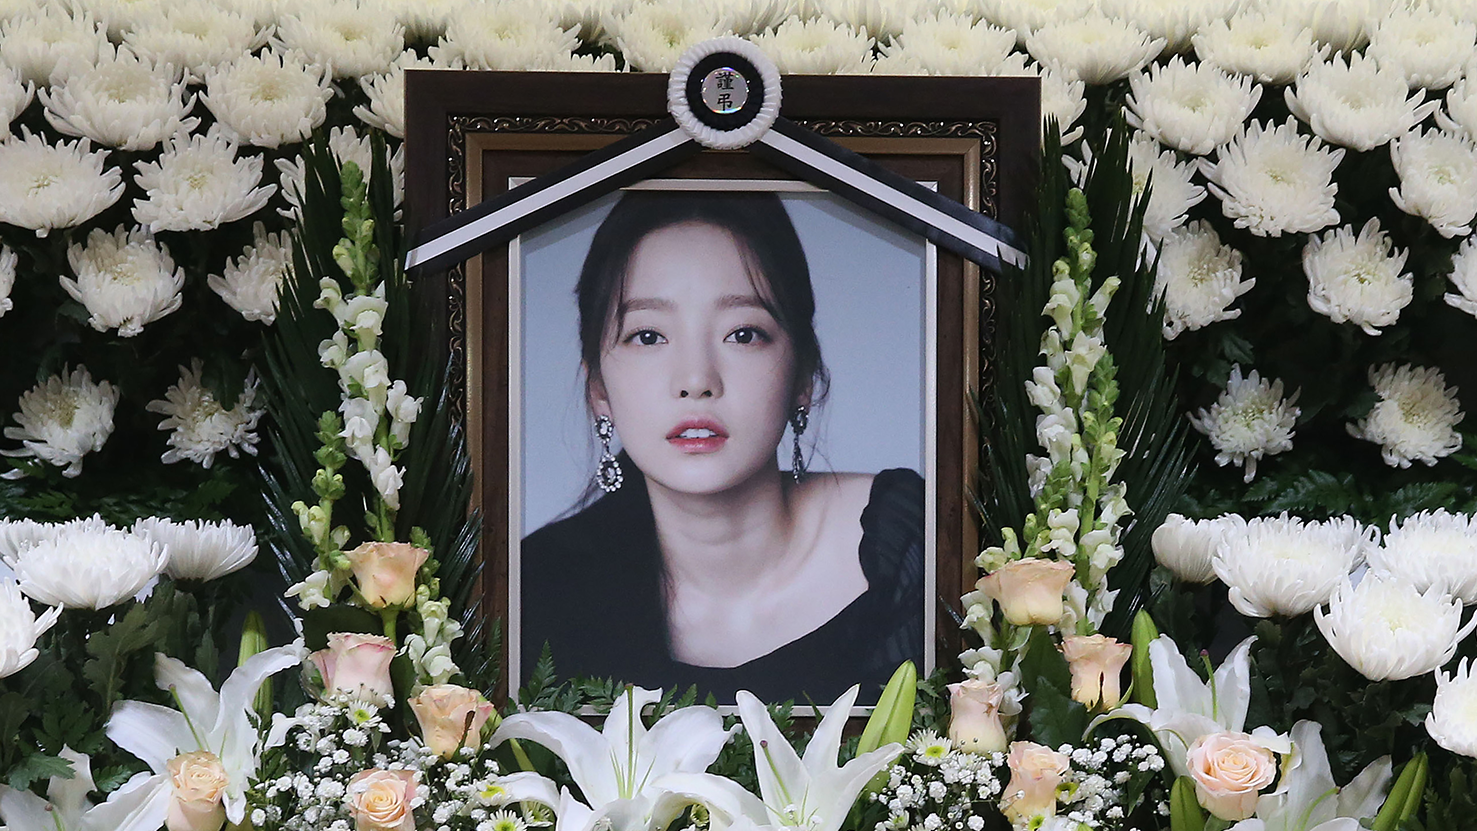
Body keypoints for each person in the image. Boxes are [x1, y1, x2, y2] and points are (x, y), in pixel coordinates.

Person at [519, 190, 924, 705]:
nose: (696, 380)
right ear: (598, 387)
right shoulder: (534, 591)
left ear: (803, 374)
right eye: (648, 336)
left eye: (743, 334)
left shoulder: (904, 542)